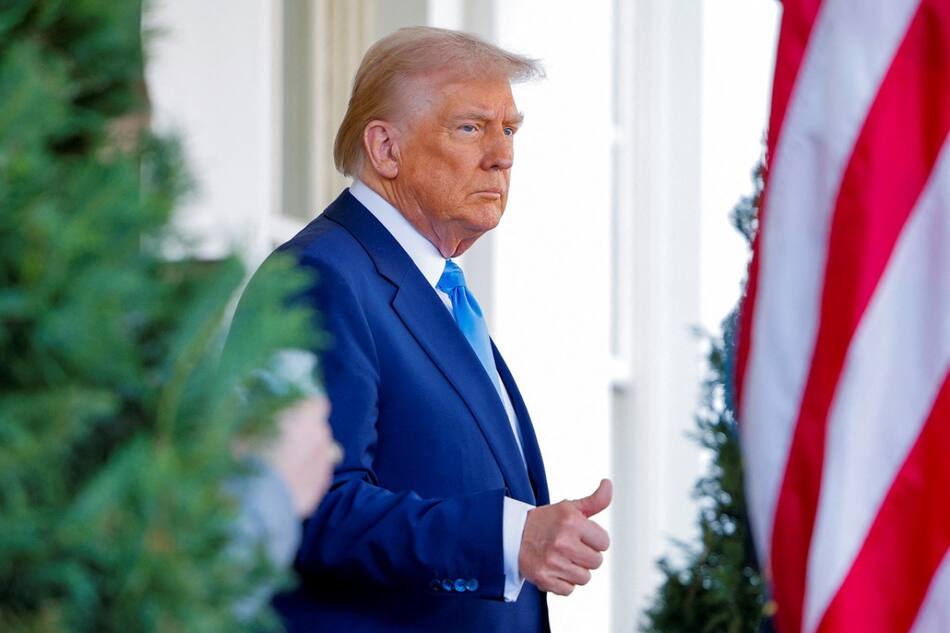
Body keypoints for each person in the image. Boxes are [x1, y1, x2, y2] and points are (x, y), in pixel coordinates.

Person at [250, 26, 612, 632]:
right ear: (385, 148)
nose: (502, 155)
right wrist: (506, 538)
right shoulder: (320, 277)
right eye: (470, 127)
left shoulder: (433, 286)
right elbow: (305, 506)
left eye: (509, 130)